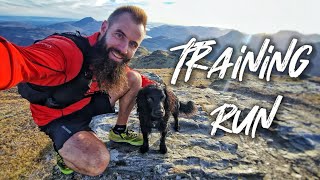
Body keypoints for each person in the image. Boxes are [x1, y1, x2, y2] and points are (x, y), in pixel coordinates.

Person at [0, 6, 154, 176]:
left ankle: (119, 131)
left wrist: (160, 93)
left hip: (86, 104)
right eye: (119, 35)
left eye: (133, 44)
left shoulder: (107, 57)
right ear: (104, 28)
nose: (124, 49)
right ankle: (62, 152)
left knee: (134, 79)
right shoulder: (65, 52)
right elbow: (17, 60)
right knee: (97, 162)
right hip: (58, 118)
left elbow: (128, 74)